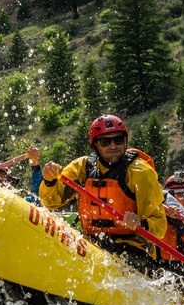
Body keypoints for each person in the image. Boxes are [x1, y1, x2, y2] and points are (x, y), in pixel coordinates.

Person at [40, 115, 175, 276]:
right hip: (90, 244)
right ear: (95, 145)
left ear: (125, 140)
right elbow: (51, 202)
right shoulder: (82, 167)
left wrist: (142, 224)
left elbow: (159, 226)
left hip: (131, 248)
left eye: (118, 139)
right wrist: (49, 181)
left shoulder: (141, 173)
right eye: (105, 142)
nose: (113, 146)